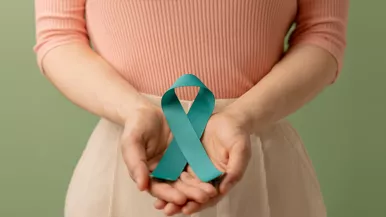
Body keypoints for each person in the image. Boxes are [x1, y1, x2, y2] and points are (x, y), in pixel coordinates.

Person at [33, 0, 349, 216]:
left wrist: (241, 117)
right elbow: (58, 35)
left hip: (255, 157)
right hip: (130, 155)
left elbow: (323, 32)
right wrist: (134, 112)